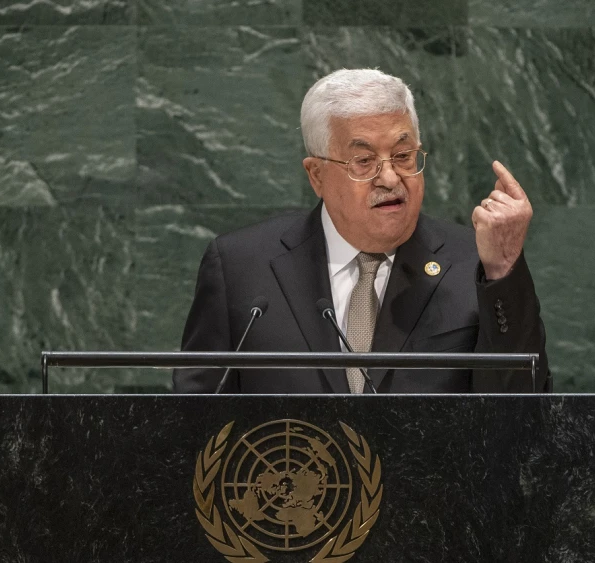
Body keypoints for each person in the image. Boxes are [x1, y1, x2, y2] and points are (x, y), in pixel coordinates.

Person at [173, 68, 550, 394]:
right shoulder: (241, 267)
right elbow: (193, 420)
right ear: (317, 175)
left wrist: (502, 270)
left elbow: (523, 409)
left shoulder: (476, 264)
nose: (390, 177)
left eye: (403, 156)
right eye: (364, 161)